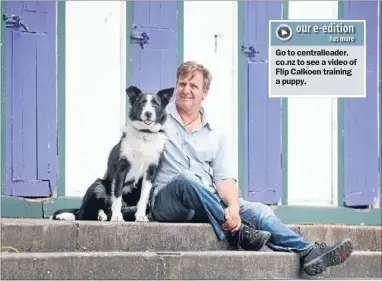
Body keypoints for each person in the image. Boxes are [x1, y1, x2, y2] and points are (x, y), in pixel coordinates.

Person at [147, 61, 353, 277]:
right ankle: (242, 231)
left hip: (206, 202)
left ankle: (308, 251)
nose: (186, 90)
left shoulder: (216, 133)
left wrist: (234, 209)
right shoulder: (155, 118)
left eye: (193, 86)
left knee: (258, 210)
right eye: (182, 84)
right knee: (186, 179)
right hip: (168, 201)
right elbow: (130, 151)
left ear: (204, 93)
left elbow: (224, 178)